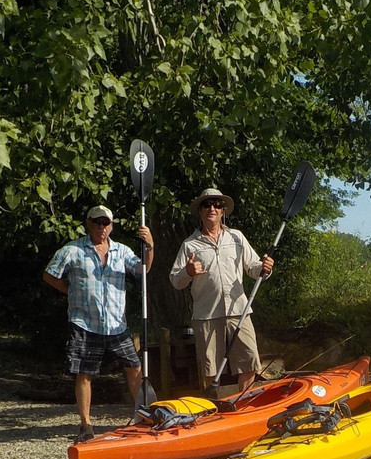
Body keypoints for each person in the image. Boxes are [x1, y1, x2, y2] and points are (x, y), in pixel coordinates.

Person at [43, 205, 154, 442]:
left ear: (111, 226)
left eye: (105, 223)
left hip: (116, 324)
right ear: (88, 223)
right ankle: (86, 424)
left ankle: (145, 416)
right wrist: (70, 291)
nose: (101, 227)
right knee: (84, 374)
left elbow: (143, 270)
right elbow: (49, 274)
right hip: (84, 322)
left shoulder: (122, 251)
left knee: (134, 367)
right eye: (96, 222)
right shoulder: (72, 250)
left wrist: (150, 246)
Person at [169, 187, 274, 393]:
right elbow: (175, 280)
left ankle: (244, 406)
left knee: (249, 361)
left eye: (217, 205)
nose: (212, 209)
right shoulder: (190, 245)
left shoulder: (236, 237)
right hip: (207, 314)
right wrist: (188, 272)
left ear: (223, 211)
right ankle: (212, 410)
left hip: (239, 311)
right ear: (200, 211)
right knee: (210, 368)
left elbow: (254, 268)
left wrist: (265, 268)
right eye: (207, 205)